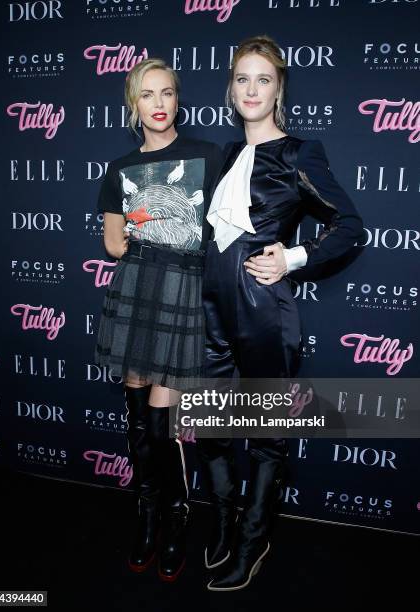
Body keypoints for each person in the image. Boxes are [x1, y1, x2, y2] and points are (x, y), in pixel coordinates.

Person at [198, 35, 364, 591]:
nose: (252, 89)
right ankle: (223, 525)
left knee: (266, 436)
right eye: (242, 78)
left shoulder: (298, 152)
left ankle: (254, 540)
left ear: (279, 89)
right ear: (230, 88)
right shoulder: (222, 154)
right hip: (212, 311)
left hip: (265, 310)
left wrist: (293, 256)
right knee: (214, 429)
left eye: (263, 79)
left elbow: (349, 227)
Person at [94, 58, 222, 582]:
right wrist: (147, 217)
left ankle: (175, 518)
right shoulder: (120, 168)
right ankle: (147, 515)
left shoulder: (207, 156)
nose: (160, 103)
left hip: (182, 290)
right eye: (148, 95)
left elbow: (223, 231)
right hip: (135, 289)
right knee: (136, 421)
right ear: (134, 106)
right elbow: (112, 242)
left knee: (161, 421)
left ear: (176, 99)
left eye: (167, 92)